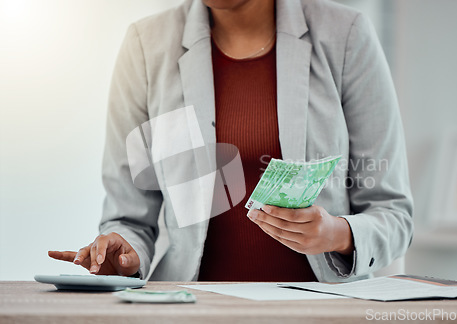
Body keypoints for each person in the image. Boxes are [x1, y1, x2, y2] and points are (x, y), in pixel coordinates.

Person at [49, 0, 413, 282]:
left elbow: (394, 215)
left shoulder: (346, 35)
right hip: (192, 308)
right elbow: (128, 218)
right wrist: (123, 252)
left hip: (319, 309)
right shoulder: (146, 47)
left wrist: (338, 234)